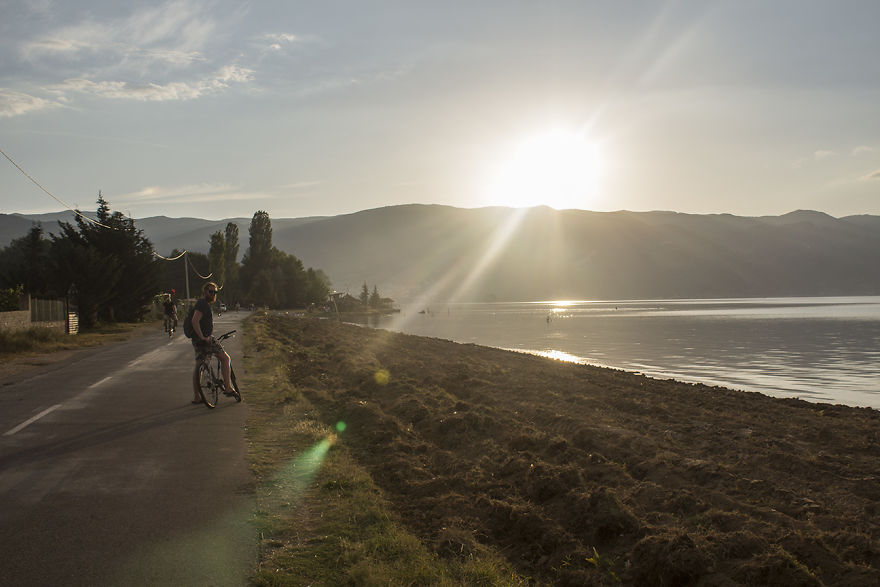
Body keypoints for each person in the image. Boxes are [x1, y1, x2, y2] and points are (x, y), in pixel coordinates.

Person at [190, 282, 234, 404]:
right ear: (204, 291)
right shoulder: (202, 304)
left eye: (215, 292)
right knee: (225, 358)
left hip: (198, 340)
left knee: (199, 365)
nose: (213, 294)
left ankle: (197, 397)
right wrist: (203, 337)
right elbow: (194, 321)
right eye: (210, 291)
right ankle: (228, 387)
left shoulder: (203, 304)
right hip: (206, 339)